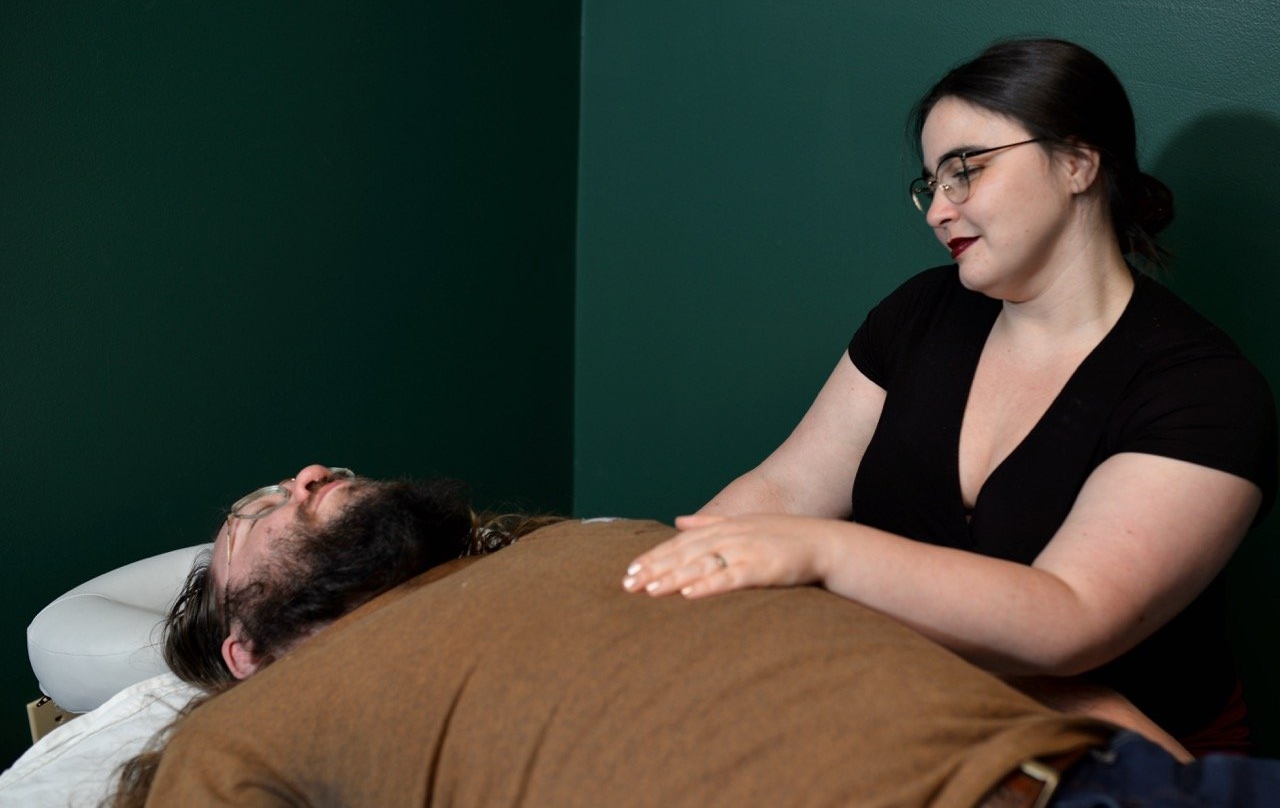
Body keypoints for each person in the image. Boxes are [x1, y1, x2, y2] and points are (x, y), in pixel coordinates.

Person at [621, 38, 1278, 755]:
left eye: (966, 171)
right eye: (931, 183)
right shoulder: (921, 312)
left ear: (1078, 163)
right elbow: (783, 491)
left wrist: (823, 556)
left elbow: (1068, 620)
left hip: (1128, 757)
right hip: (920, 698)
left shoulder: (1204, 389)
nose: (939, 210)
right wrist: (667, 583)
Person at [114, 466, 1280, 806]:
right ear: (244, 648)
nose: (308, 472)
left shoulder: (570, 547)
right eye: (256, 510)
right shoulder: (260, 724)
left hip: (1103, 778)